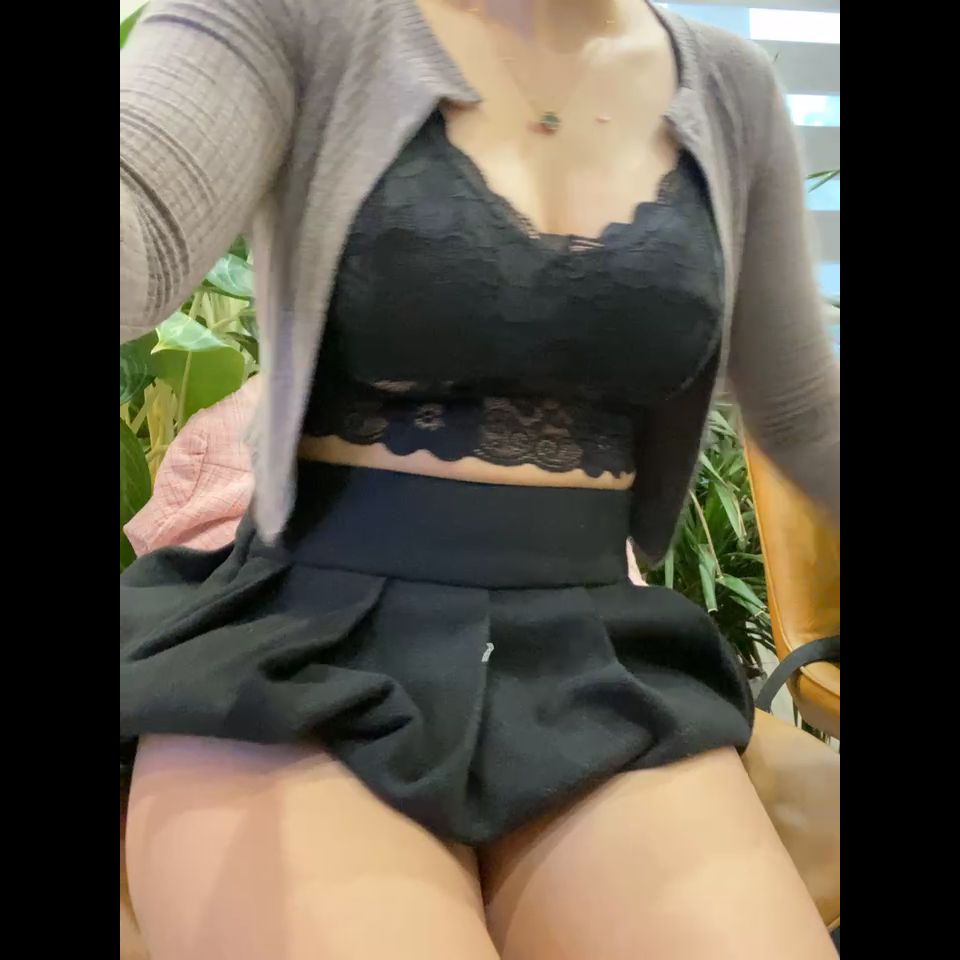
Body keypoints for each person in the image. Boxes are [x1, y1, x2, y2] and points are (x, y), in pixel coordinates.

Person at [119, 2, 840, 958]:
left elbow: (804, 418)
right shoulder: (290, 17)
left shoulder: (727, 85)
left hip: (591, 663)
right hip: (306, 653)